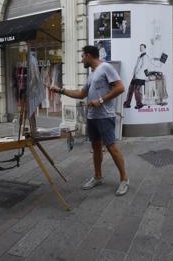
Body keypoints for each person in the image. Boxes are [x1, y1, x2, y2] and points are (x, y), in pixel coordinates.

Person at [52, 45, 129, 196]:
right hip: (92, 116)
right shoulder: (92, 74)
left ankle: (124, 179)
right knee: (96, 147)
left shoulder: (106, 67)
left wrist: (100, 100)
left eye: (82, 57)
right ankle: (98, 176)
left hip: (105, 116)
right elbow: (81, 94)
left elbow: (120, 88)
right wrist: (60, 90)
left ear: (88, 56)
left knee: (112, 147)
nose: (81, 60)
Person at [124, 44, 151, 109]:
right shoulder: (139, 56)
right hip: (135, 75)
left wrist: (137, 73)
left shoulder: (146, 57)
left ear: (145, 48)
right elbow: (137, 66)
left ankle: (139, 104)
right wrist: (134, 73)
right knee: (130, 89)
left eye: (142, 47)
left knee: (137, 90)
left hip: (140, 76)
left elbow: (144, 67)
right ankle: (127, 103)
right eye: (140, 47)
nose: (140, 48)